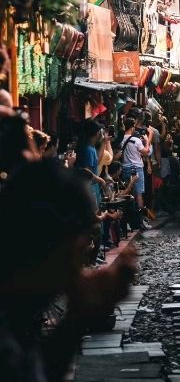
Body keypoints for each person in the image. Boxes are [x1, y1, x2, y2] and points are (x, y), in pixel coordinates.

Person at [0, 160, 137, 382]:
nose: (82, 257)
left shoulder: (18, 313)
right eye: (82, 244)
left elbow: (39, 370)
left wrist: (80, 315)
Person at [116, 115, 151, 228]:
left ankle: (129, 221)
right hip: (137, 168)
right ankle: (140, 221)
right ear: (132, 127)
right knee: (139, 194)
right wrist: (147, 141)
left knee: (128, 194)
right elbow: (145, 152)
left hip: (125, 168)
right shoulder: (136, 140)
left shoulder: (121, 139)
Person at [74, 119, 107, 206]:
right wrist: (101, 180)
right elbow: (86, 172)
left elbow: (96, 162)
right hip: (90, 188)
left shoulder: (89, 148)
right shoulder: (88, 150)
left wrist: (104, 142)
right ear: (97, 133)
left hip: (91, 187)